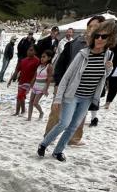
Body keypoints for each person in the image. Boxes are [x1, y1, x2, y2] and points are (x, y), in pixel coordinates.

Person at [37, 20, 117, 162]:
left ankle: (58, 151)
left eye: (104, 37)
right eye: (97, 36)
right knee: (64, 123)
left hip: (88, 97)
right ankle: (44, 144)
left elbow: (104, 77)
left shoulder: (108, 55)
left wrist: (109, 69)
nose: (99, 39)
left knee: (73, 126)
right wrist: (57, 98)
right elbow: (67, 77)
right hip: (72, 95)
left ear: (109, 39)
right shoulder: (83, 54)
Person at [44, 15, 107, 144]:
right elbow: (61, 65)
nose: (91, 29)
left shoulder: (105, 48)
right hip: (68, 85)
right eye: (90, 26)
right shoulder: (74, 44)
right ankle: (48, 136)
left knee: (80, 116)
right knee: (57, 112)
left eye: (95, 27)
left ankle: (74, 139)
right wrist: (57, 83)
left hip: (88, 89)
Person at [11, 45, 39, 116]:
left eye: (31, 50)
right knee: (19, 97)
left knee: (20, 96)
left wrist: (32, 83)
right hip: (21, 81)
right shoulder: (23, 60)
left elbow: (37, 73)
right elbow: (17, 70)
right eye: (28, 50)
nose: (29, 51)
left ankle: (23, 111)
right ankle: (17, 112)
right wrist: (10, 80)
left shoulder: (37, 61)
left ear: (35, 52)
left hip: (29, 82)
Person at [27, 49, 53, 120]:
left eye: (44, 57)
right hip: (35, 86)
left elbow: (49, 79)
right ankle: (29, 117)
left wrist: (46, 89)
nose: (42, 58)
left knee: (35, 103)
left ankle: (41, 112)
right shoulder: (39, 66)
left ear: (49, 58)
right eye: (41, 57)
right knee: (31, 101)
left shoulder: (49, 66)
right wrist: (30, 86)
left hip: (42, 87)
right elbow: (34, 77)